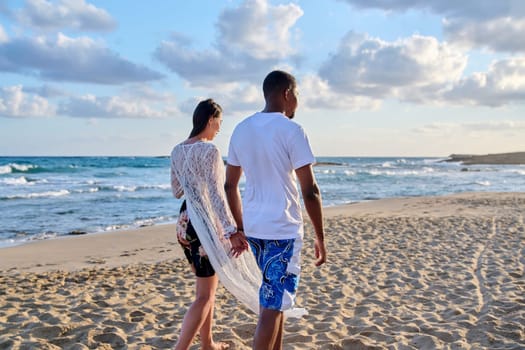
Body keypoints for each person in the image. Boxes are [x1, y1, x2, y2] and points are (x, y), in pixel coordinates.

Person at [225, 70, 327, 350]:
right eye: (296, 94)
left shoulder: (241, 129)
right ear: (286, 94)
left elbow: (229, 185)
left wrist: (241, 226)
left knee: (273, 300)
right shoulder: (292, 130)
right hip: (282, 229)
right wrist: (321, 236)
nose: (297, 101)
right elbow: (310, 190)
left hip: (256, 229)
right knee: (272, 306)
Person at [170, 99, 258, 350]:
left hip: (185, 223)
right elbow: (217, 195)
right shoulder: (210, 151)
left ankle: (207, 343)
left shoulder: (177, 150)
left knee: (206, 288)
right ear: (210, 120)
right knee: (204, 295)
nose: (220, 127)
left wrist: (192, 179)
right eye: (219, 121)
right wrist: (232, 231)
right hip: (206, 224)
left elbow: (177, 191)